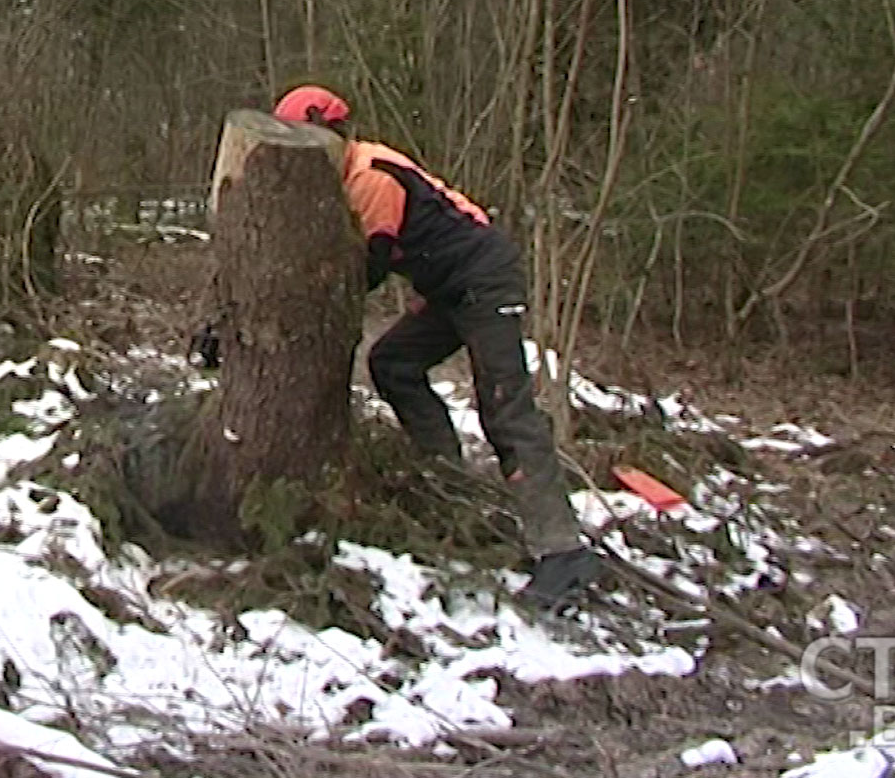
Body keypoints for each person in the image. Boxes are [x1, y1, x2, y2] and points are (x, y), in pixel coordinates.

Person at [193, 84, 602, 611]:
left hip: (483, 282)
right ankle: (444, 472)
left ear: (335, 137)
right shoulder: (345, 180)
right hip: (448, 287)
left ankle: (562, 549)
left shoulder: (370, 175)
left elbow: (367, 265)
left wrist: (301, 309)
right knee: (394, 363)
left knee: (505, 408)